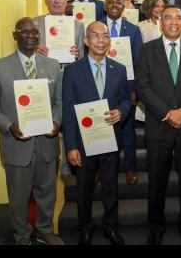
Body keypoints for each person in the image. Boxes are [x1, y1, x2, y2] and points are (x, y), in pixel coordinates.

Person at [0, 17, 63, 245]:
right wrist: (9, 126)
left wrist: (56, 122)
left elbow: (59, 101)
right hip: (17, 145)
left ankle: (46, 231)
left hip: (47, 143)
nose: (30, 36)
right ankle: (22, 236)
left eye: (34, 33)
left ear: (39, 37)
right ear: (15, 35)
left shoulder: (52, 65)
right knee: (18, 198)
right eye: (24, 32)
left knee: (48, 194)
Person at [135, 5, 181, 245]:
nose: (174, 22)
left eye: (178, 17)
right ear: (160, 22)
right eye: (168, 17)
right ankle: (155, 227)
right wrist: (168, 113)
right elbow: (142, 87)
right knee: (157, 182)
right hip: (159, 126)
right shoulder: (146, 50)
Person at [62, 21, 131, 245]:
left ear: (109, 41)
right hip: (83, 142)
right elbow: (68, 110)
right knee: (84, 189)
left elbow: (126, 100)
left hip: (110, 138)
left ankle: (111, 228)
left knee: (111, 187)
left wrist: (121, 111)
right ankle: (85, 227)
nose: (100, 40)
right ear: (86, 41)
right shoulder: (72, 71)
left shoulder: (119, 69)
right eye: (95, 36)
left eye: (104, 36)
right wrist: (70, 146)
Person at [33, 0, 85, 187]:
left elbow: (81, 54)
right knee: (49, 122)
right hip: (44, 79)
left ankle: (66, 168)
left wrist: (77, 52)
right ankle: (48, 166)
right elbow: (26, 52)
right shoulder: (36, 23)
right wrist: (36, 50)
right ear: (46, 1)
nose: (57, 1)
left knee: (68, 120)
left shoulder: (78, 25)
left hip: (69, 77)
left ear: (66, 2)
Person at [101, 0, 143, 185]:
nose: (114, 5)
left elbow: (138, 61)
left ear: (123, 5)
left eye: (118, 2)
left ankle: (131, 167)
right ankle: (100, 168)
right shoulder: (96, 27)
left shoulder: (133, 30)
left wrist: (135, 88)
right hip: (102, 84)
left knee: (127, 130)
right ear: (104, 6)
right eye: (110, 2)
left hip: (127, 87)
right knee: (103, 127)